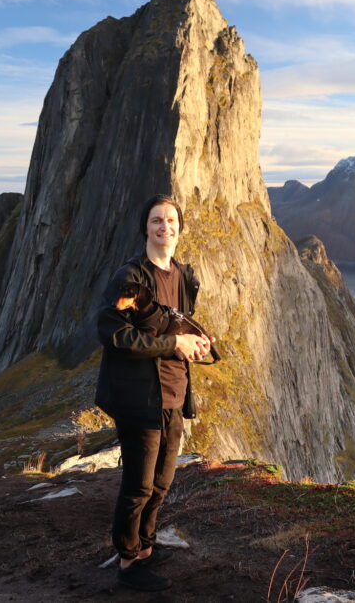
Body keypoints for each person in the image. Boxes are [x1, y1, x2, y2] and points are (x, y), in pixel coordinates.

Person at [95, 194, 211, 592]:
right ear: (145, 227)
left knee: (161, 482)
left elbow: (174, 326)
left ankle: (145, 546)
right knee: (139, 484)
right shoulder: (129, 278)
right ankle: (128, 562)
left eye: (171, 220)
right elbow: (113, 333)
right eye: (157, 220)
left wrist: (194, 344)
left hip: (174, 394)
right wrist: (172, 345)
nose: (165, 227)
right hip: (138, 396)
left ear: (179, 227)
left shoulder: (183, 275)